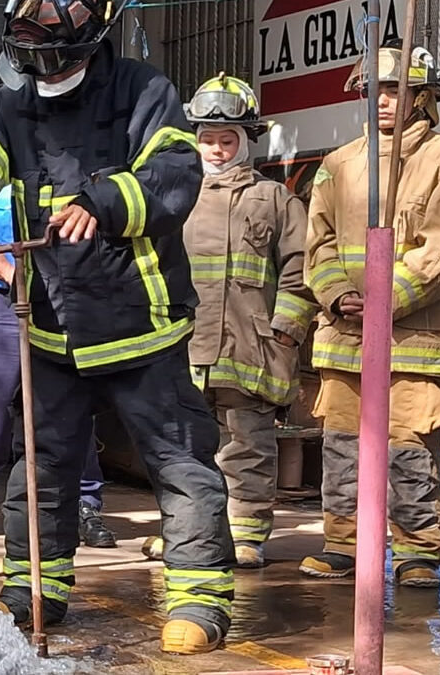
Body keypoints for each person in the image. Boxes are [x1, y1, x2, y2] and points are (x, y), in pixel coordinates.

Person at [0, 0, 234, 654]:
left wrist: (103, 201)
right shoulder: (5, 107)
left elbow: (175, 176)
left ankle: (200, 595)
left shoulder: (143, 90)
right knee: (40, 465)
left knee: (179, 460)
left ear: (94, 20)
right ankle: (34, 587)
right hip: (52, 325)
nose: (41, 17)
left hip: (140, 322)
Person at [299, 42, 440, 586]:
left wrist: (384, 299)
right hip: (345, 335)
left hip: (411, 337)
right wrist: (337, 296)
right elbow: (318, 244)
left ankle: (418, 549)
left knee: (408, 446)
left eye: (396, 91)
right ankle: (342, 543)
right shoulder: (337, 164)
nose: (383, 102)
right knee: (343, 445)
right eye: (374, 91)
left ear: (422, 98)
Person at [0, 186, 119, 548]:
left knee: (75, 403)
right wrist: (9, 270)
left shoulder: (78, 181)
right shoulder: (0, 183)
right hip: (8, 301)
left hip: (69, 303)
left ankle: (86, 505)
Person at [180, 73, 314, 569]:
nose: (216, 149)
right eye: (208, 139)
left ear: (246, 139)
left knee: (246, 444)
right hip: (185, 346)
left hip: (250, 346)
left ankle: (246, 534)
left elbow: (302, 271)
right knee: (184, 447)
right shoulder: (175, 194)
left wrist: (284, 330)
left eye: (227, 139)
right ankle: (190, 532)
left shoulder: (274, 199)